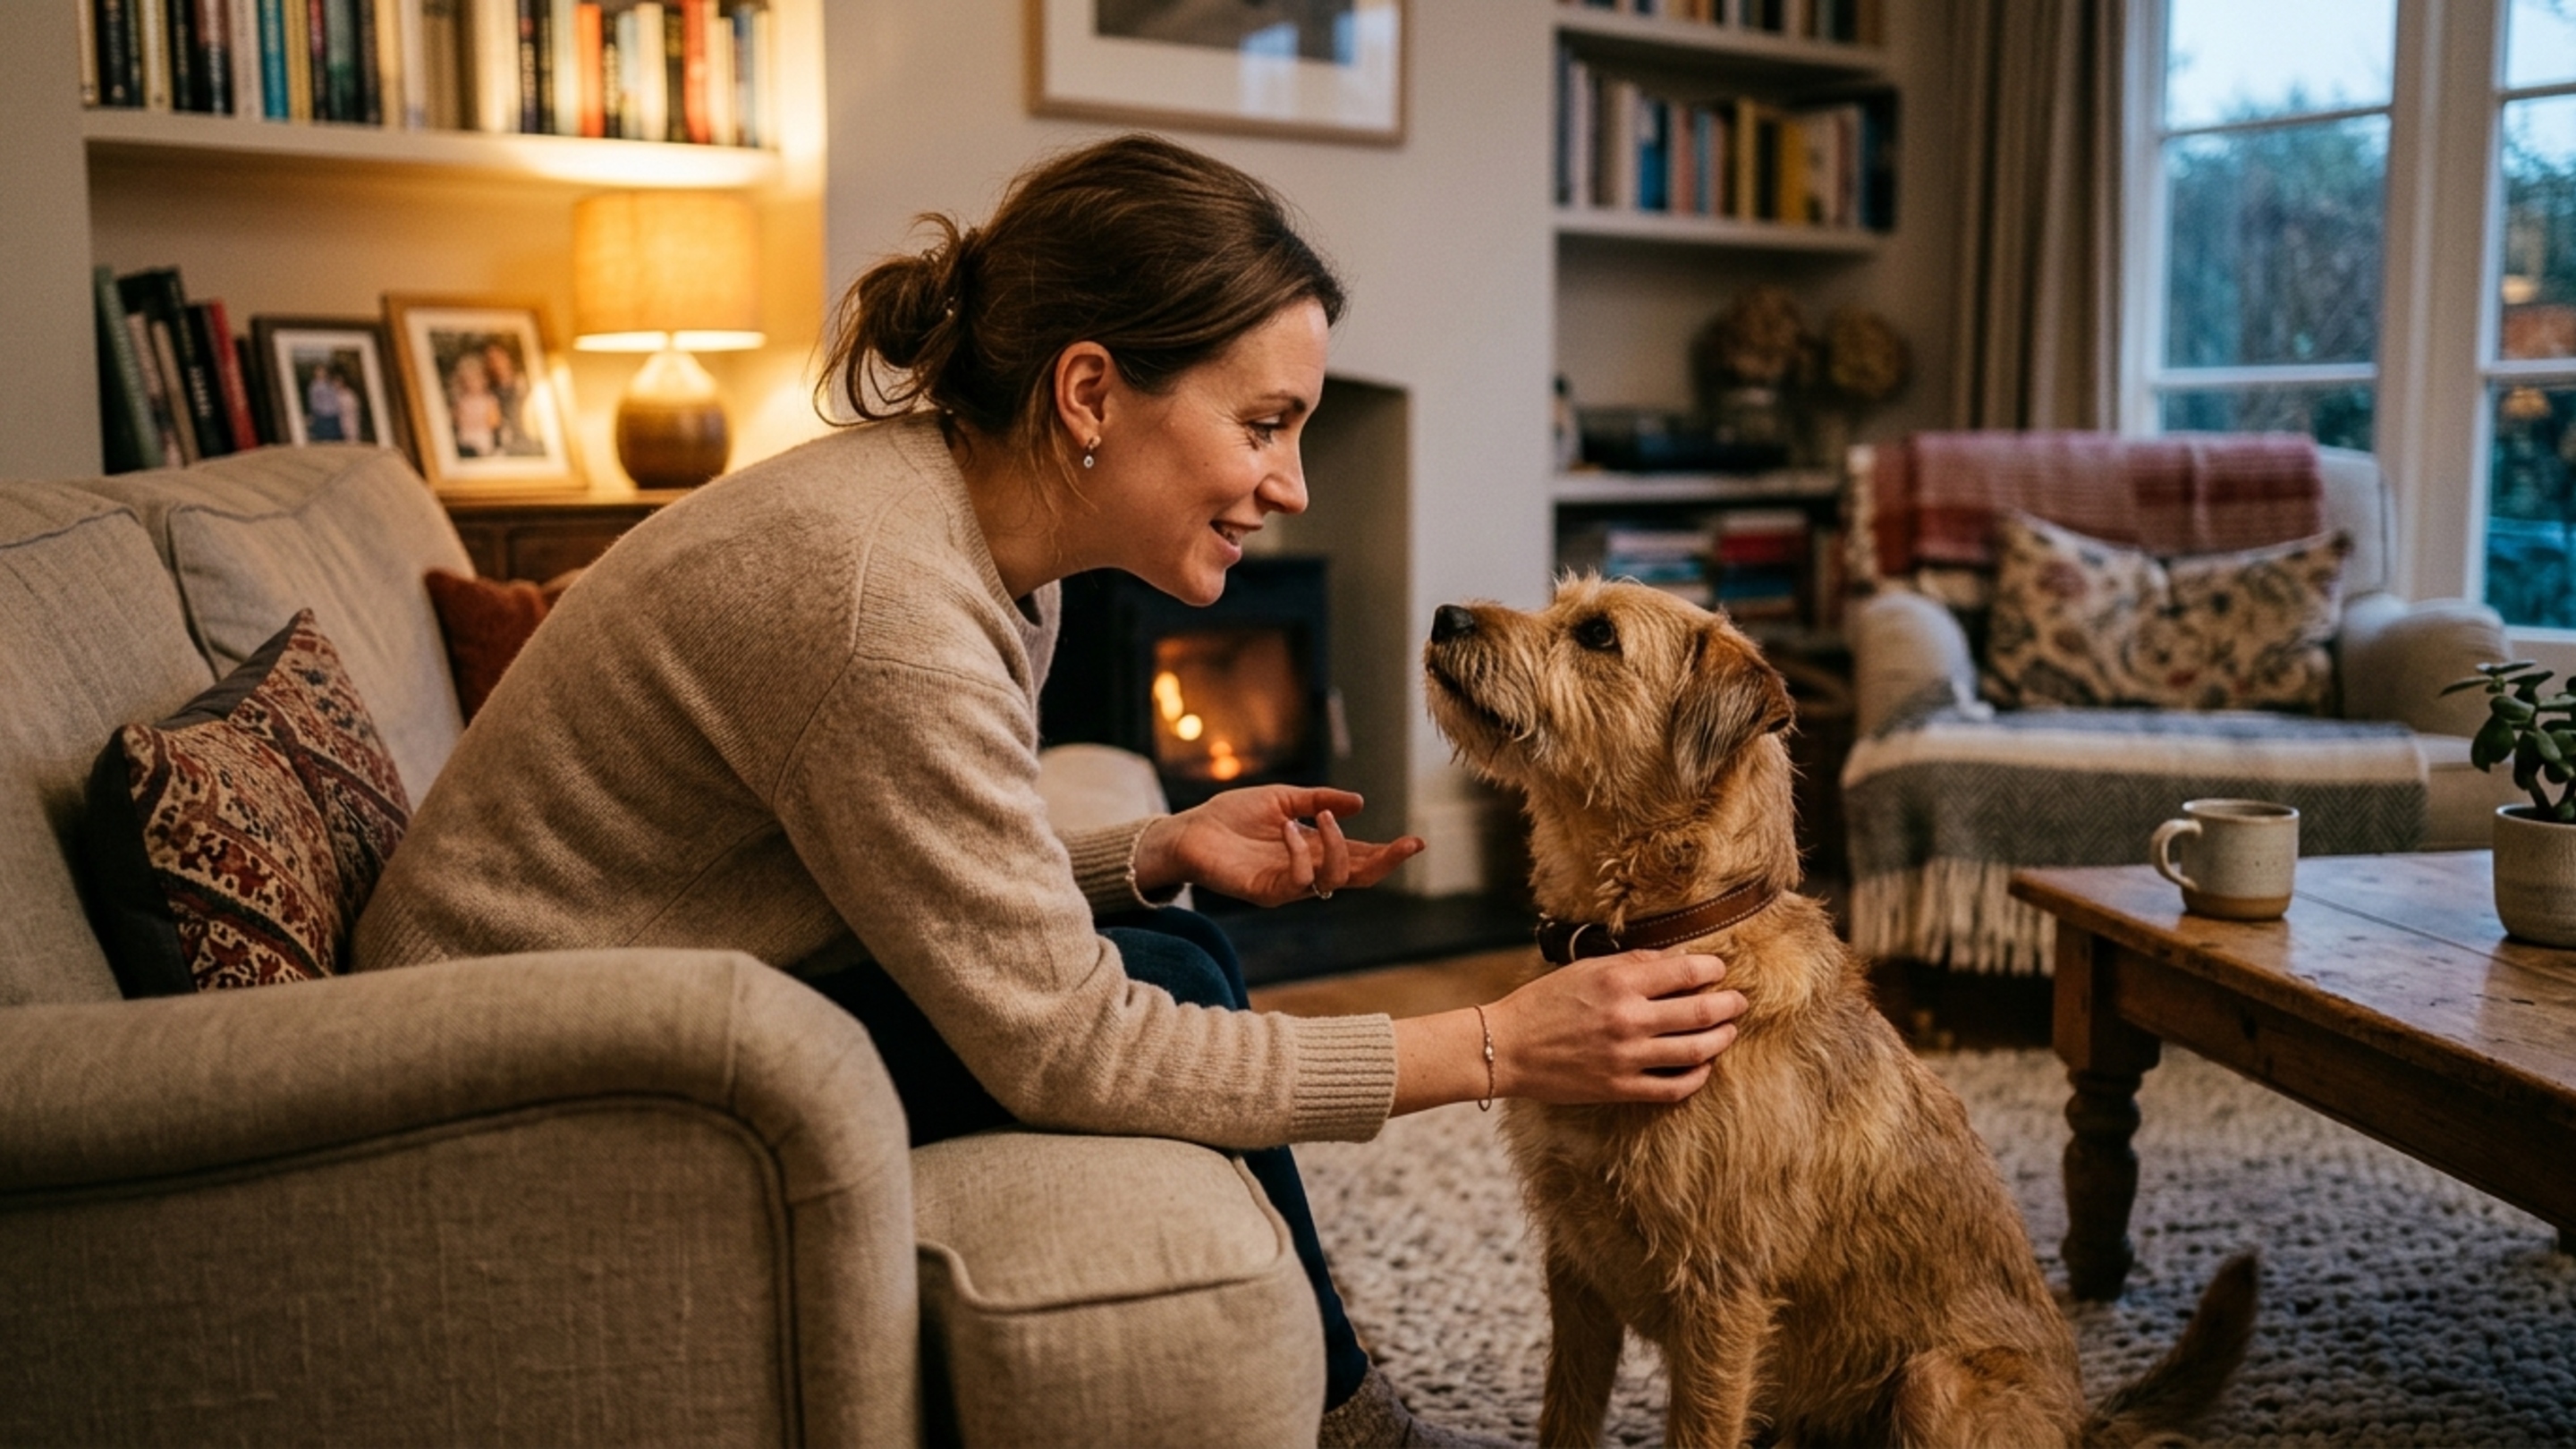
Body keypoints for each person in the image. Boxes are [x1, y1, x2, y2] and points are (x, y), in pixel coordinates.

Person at [353, 133, 1750, 1447]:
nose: (1293, 486)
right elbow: (1070, 1050)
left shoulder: (981, 550)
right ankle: (1357, 1421)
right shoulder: (885, 610)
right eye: (1265, 424)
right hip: (509, 1084)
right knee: (1166, 989)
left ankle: (1341, 1406)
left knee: (1178, 947)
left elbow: (899, 861)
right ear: (1089, 394)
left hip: (650, 989)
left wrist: (1155, 850)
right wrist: (1496, 1044)